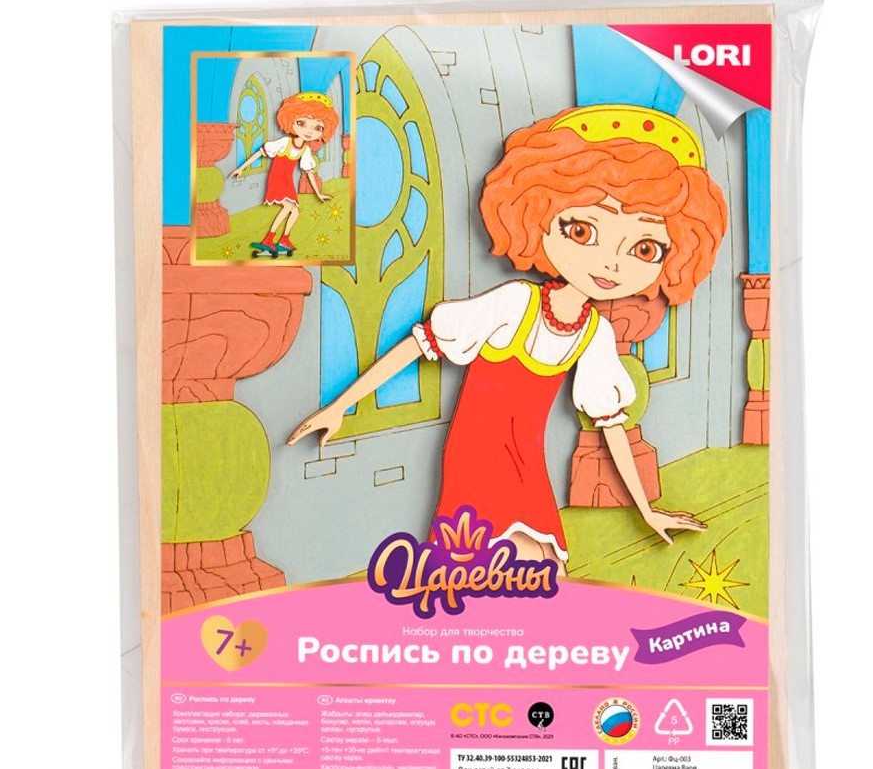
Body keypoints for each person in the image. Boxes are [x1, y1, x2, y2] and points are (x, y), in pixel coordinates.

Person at [288, 104, 729, 574]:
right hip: (475, 458)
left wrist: (646, 510)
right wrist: (340, 406)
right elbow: (420, 344)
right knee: (489, 568)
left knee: (544, 571)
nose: (611, 264)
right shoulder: (516, 302)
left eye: (644, 248)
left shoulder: (593, 333)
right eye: (583, 231)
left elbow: (611, 427)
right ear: (539, 216)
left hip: (527, 462)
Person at [231, 91, 338, 257]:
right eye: (302, 123)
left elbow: (309, 172)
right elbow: (261, 152)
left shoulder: (305, 150)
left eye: (318, 127)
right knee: (289, 207)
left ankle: (284, 239)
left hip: (287, 182)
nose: (309, 131)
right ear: (291, 119)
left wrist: (318, 193)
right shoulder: (284, 142)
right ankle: (268, 238)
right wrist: (241, 168)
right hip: (277, 180)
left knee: (295, 211)